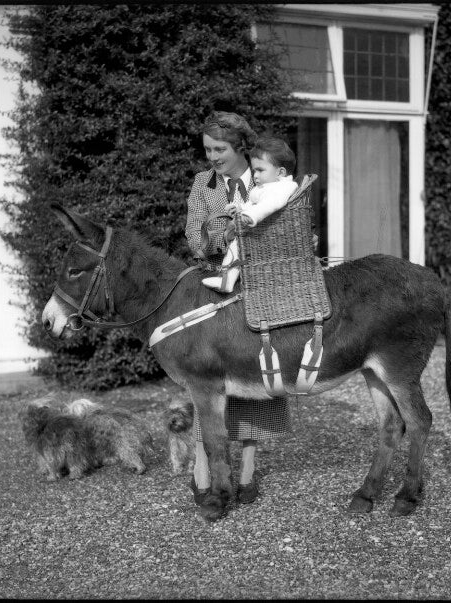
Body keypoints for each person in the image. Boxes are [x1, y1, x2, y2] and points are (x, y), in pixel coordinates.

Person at [184, 111, 291, 504]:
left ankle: (247, 473)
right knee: (205, 377)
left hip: (262, 283)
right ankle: (201, 468)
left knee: (259, 371)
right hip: (215, 285)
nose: (212, 156)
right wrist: (220, 235)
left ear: (240, 147)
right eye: (208, 149)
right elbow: (194, 236)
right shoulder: (203, 184)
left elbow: (284, 225)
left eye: (220, 149)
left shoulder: (268, 180)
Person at [202, 136, 299, 293]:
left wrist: (251, 216)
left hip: (270, 238)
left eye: (260, 170)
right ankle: (227, 278)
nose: (255, 175)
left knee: (238, 243)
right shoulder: (268, 186)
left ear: (280, 172)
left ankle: (227, 280)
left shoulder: (283, 187)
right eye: (254, 170)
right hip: (262, 233)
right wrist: (240, 209)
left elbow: (269, 205)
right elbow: (253, 204)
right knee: (237, 242)